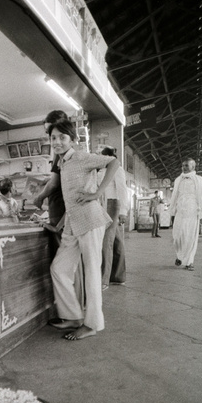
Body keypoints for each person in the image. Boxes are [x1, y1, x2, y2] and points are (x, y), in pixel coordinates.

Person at [47, 120, 119, 341]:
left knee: (91, 273)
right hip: (72, 225)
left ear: (72, 140)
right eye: (53, 138)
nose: (57, 141)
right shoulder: (61, 163)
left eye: (62, 137)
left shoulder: (80, 157)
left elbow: (114, 162)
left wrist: (97, 193)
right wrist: (58, 225)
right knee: (59, 269)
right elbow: (70, 199)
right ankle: (72, 316)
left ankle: (92, 324)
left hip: (90, 221)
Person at [98, 146, 128, 290]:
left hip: (112, 204)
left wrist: (123, 211)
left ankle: (104, 280)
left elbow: (122, 190)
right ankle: (118, 276)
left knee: (106, 241)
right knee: (116, 241)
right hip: (103, 204)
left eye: (101, 155)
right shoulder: (101, 170)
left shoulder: (116, 169)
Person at [169, 158, 202, 270]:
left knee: (190, 237)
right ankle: (179, 256)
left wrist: (201, 210)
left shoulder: (199, 179)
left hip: (192, 211)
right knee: (177, 236)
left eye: (186, 165)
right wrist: (172, 209)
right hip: (180, 211)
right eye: (183, 165)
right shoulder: (177, 180)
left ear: (193, 167)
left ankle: (189, 262)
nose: (184, 167)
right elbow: (174, 196)